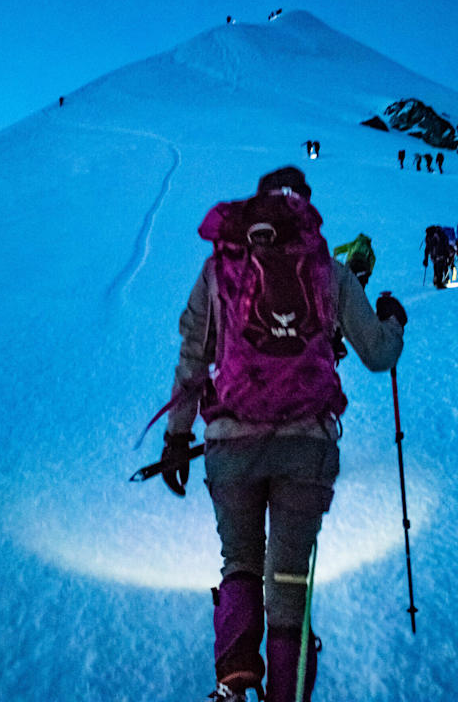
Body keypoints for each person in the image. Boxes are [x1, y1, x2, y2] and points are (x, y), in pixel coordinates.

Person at [160, 167, 406, 702]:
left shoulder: (218, 268)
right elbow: (379, 354)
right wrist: (393, 322)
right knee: (289, 583)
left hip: (230, 445)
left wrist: (177, 438)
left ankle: (234, 683)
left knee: (240, 564)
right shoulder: (328, 271)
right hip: (307, 447)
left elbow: (192, 359)